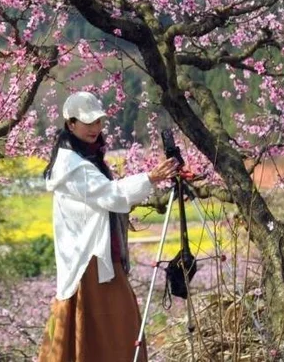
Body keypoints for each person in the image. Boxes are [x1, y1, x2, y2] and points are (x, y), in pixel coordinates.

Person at [38, 90, 182, 362]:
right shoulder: (73, 167)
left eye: (98, 122)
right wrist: (151, 177)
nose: (95, 128)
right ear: (71, 124)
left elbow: (108, 195)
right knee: (115, 326)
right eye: (88, 122)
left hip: (100, 256)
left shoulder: (85, 160)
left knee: (114, 326)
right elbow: (111, 195)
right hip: (89, 260)